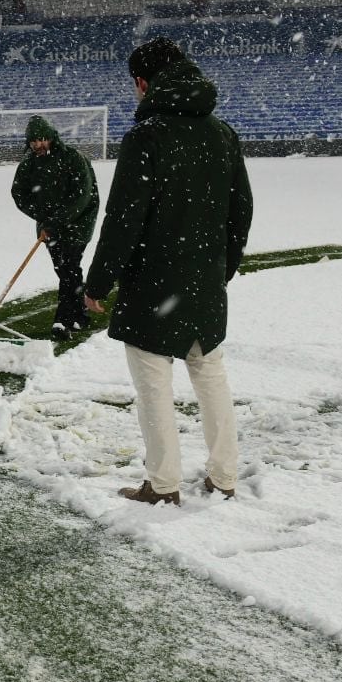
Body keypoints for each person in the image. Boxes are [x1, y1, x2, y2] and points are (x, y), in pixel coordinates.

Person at [83, 37, 252, 505]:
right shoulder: (222, 133)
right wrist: (222, 266)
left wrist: (97, 283)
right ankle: (224, 477)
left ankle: (163, 486)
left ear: (142, 82)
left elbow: (122, 220)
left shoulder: (147, 137)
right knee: (210, 374)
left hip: (154, 283)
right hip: (203, 279)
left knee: (154, 385)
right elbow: (242, 211)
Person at [10, 115, 99, 339]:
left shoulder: (73, 159)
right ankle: (81, 314)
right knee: (66, 270)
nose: (37, 145)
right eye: (33, 141)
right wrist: (42, 216)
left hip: (78, 224)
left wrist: (56, 221)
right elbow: (19, 194)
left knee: (68, 269)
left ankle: (63, 321)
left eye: (42, 140)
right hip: (49, 228)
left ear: (51, 138)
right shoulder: (29, 163)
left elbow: (81, 198)